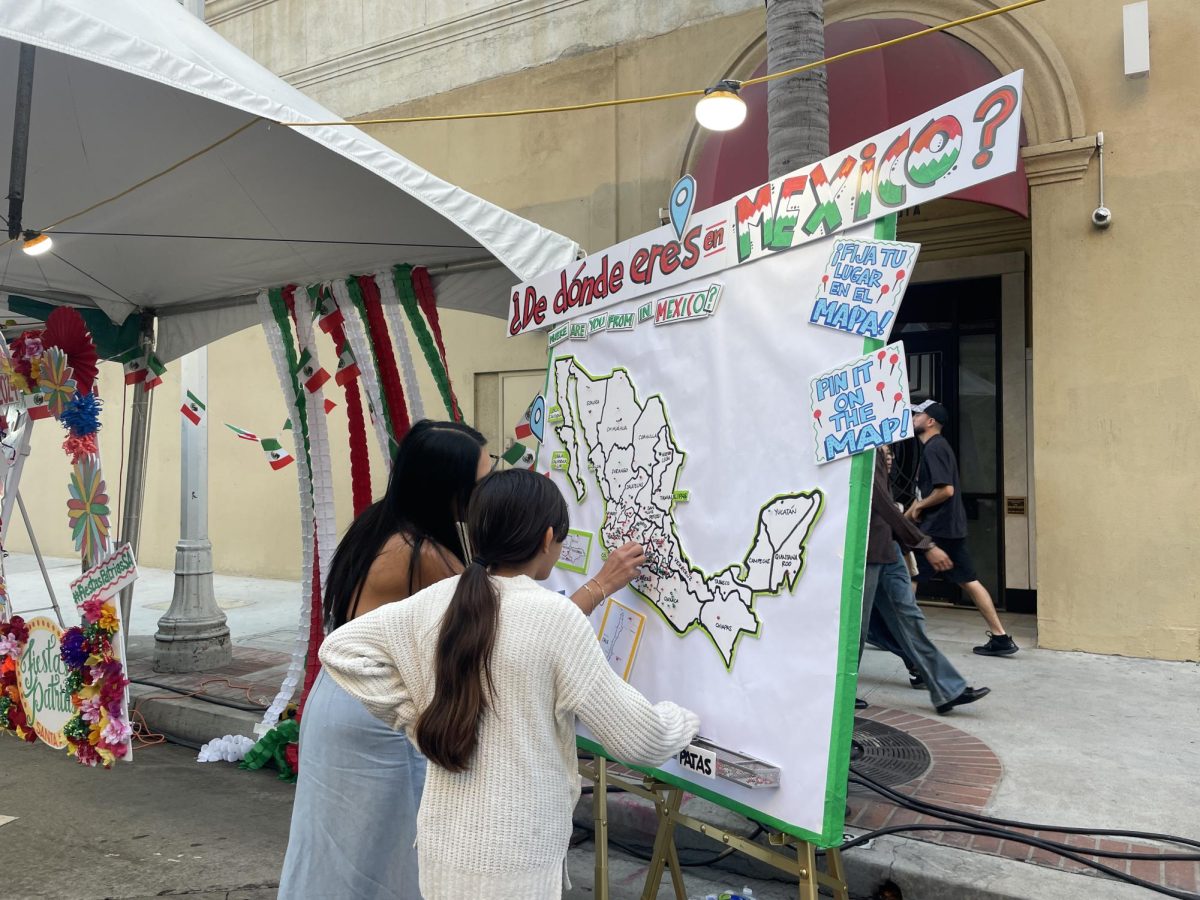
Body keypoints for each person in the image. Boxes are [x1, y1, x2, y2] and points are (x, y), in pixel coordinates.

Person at [279, 420, 645, 900]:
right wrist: (600, 585)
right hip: (376, 712)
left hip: (347, 699)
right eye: (482, 481)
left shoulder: (384, 525)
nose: (491, 489)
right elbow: (510, 634)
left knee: (346, 853)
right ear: (450, 491)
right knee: (380, 859)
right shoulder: (423, 556)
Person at [857, 447, 990, 714]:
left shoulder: (881, 447)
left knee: (909, 618)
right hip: (867, 548)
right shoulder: (864, 443)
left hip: (887, 546)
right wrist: (923, 543)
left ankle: (947, 689)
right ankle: (841, 691)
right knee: (857, 628)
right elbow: (879, 500)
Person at [906, 401, 1018, 657]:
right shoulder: (936, 448)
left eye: (918, 414)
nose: (913, 417)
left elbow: (945, 490)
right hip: (949, 527)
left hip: (936, 529)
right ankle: (1001, 638)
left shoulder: (934, 448)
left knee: (909, 576)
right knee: (969, 580)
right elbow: (927, 491)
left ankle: (903, 635)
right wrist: (909, 512)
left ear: (931, 420)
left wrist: (920, 507)